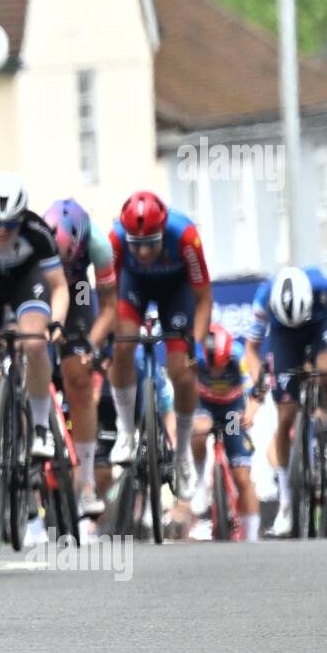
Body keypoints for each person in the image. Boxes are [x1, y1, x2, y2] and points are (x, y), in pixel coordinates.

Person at [0, 172, 69, 543]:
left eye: (10, 224)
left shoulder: (36, 231)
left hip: (24, 280)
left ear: (23, 216)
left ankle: (42, 426)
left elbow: (60, 286)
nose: (2, 232)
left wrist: (57, 324)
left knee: (34, 343)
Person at [107, 191, 212, 503]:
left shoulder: (186, 237)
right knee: (122, 347)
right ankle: (126, 431)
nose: (142, 252)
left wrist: (197, 343)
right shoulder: (114, 239)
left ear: (163, 233)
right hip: (133, 286)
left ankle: (182, 455)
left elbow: (204, 298)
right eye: (135, 245)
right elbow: (106, 294)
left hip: (176, 291)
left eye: (150, 244)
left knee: (182, 371)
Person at [245, 266, 327, 537]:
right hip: (284, 337)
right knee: (285, 417)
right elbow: (251, 350)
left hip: (321, 326)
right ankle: (286, 502)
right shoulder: (263, 297)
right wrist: (258, 380)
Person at [44, 198, 117, 517]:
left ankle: (85, 483)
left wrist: (90, 343)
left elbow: (111, 308)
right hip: (38, 288)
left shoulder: (99, 245)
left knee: (79, 380)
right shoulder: (37, 237)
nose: (67, 267)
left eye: (70, 260)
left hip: (77, 297)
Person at [190, 324, 261, 541]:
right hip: (204, 404)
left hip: (231, 409)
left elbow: (254, 392)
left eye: (221, 368)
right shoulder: (194, 355)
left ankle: (252, 534)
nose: (217, 373)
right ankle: (201, 480)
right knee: (199, 431)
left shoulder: (237, 356)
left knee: (241, 474)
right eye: (213, 368)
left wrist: (249, 413)